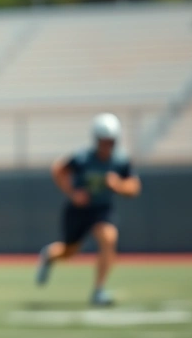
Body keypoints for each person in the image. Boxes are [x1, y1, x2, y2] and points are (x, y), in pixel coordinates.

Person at [35, 113, 141, 306]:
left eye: (110, 142)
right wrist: (72, 193)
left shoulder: (120, 160)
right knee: (69, 251)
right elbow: (58, 169)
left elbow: (134, 187)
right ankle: (48, 256)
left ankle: (99, 290)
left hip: (102, 210)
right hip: (79, 211)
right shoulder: (83, 158)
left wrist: (118, 185)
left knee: (109, 238)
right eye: (103, 141)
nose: (107, 146)